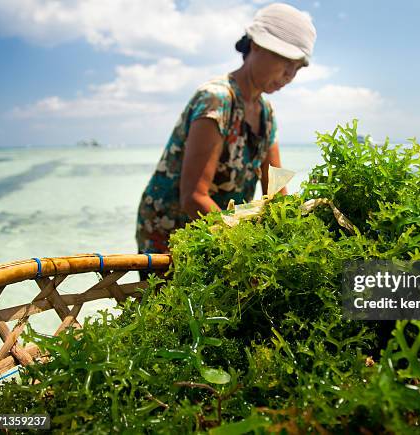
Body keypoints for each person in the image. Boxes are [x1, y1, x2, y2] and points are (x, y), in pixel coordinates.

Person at [135, 3, 317, 269]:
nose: (289, 75)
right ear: (256, 46)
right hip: (171, 232)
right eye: (285, 62)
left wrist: (294, 239)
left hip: (221, 233)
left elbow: (276, 193)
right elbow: (193, 198)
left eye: (298, 67)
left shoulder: (266, 113)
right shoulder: (217, 99)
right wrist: (248, 247)